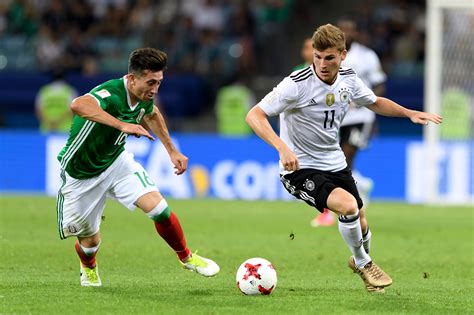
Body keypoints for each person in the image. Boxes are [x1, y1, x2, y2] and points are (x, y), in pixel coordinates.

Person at [245, 24, 442, 293]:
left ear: (343, 55)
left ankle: (362, 263)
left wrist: (409, 113)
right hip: (300, 169)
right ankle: (365, 263)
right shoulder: (295, 84)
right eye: (317, 56)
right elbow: (254, 115)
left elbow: (374, 101)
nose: (322, 64)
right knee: (348, 206)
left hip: (335, 164)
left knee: (360, 218)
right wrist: (282, 148)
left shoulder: (349, 79)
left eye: (329, 57)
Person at [56, 48, 220, 287]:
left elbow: (152, 114)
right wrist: (122, 125)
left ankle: (186, 257)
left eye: (159, 83)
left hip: (116, 162)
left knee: (159, 209)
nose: (154, 89)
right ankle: (88, 265)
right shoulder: (110, 93)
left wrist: (172, 150)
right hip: (81, 173)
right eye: (150, 82)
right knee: (89, 242)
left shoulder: (144, 97)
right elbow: (78, 105)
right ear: (132, 79)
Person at [310, 18, 387, 228]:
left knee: (346, 155)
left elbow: (380, 85)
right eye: (342, 30)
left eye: (350, 30)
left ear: (355, 33)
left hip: (361, 117)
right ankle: (360, 184)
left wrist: (366, 101)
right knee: (339, 161)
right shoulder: (330, 56)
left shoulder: (367, 56)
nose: (346, 33)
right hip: (337, 117)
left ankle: (347, 207)